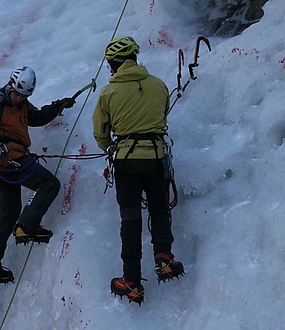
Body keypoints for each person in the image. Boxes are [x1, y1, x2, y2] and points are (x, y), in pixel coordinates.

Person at [93, 36, 184, 305]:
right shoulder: (158, 85)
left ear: (115, 63)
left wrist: (110, 146)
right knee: (159, 208)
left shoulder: (108, 93)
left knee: (130, 219)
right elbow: (163, 117)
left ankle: (131, 280)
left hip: (126, 161)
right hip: (156, 157)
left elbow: (100, 132)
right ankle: (164, 258)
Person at [0, 66, 75, 283]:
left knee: (8, 212)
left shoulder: (21, 104)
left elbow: (37, 117)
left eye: (23, 96)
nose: (19, 98)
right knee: (49, 184)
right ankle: (27, 225)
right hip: (8, 158)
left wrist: (57, 106)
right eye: (17, 94)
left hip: (10, 161)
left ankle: (22, 224)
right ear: (10, 86)